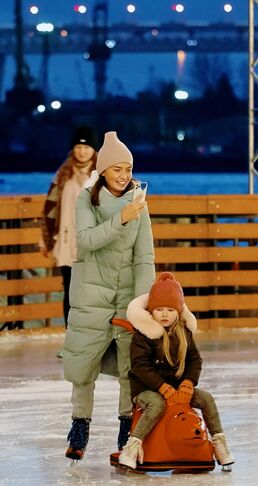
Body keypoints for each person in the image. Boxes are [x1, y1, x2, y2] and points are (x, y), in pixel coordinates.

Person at [63, 131, 155, 460]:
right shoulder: (86, 199)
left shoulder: (139, 205)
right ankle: (80, 424)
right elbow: (86, 241)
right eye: (116, 169)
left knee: (131, 368)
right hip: (90, 294)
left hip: (126, 297)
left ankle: (126, 427)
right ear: (103, 171)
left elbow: (145, 257)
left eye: (128, 169)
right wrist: (121, 219)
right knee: (84, 364)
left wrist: (143, 303)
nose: (123, 175)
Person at [118, 272, 234, 470]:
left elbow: (194, 360)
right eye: (159, 309)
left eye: (170, 310)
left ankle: (219, 444)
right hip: (146, 389)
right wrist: (161, 387)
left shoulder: (184, 333)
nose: (164, 314)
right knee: (156, 404)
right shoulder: (143, 336)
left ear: (179, 312)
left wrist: (188, 382)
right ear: (150, 312)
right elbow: (140, 366)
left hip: (177, 386)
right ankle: (133, 445)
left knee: (206, 399)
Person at [40, 126, 99, 325]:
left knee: (93, 291)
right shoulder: (63, 174)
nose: (82, 151)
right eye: (78, 147)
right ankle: (71, 337)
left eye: (87, 147)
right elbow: (50, 206)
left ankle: (94, 337)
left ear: (94, 150)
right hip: (67, 240)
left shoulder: (102, 175)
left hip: (93, 242)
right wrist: (46, 238)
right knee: (70, 289)